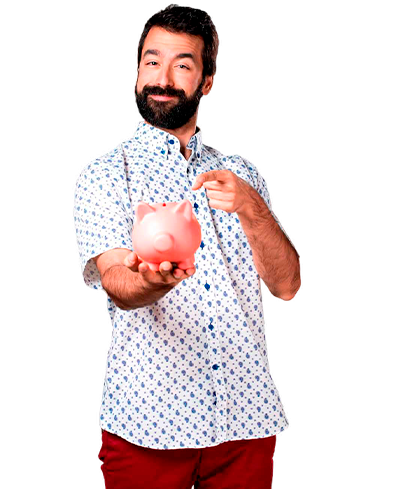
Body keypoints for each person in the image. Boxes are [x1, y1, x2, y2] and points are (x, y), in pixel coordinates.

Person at [73, 4, 302, 489]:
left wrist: (252, 208)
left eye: (182, 65)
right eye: (152, 62)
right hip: (147, 427)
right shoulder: (104, 175)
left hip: (246, 421)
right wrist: (153, 281)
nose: (163, 78)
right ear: (137, 74)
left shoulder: (242, 173)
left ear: (207, 82)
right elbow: (117, 283)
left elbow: (287, 285)